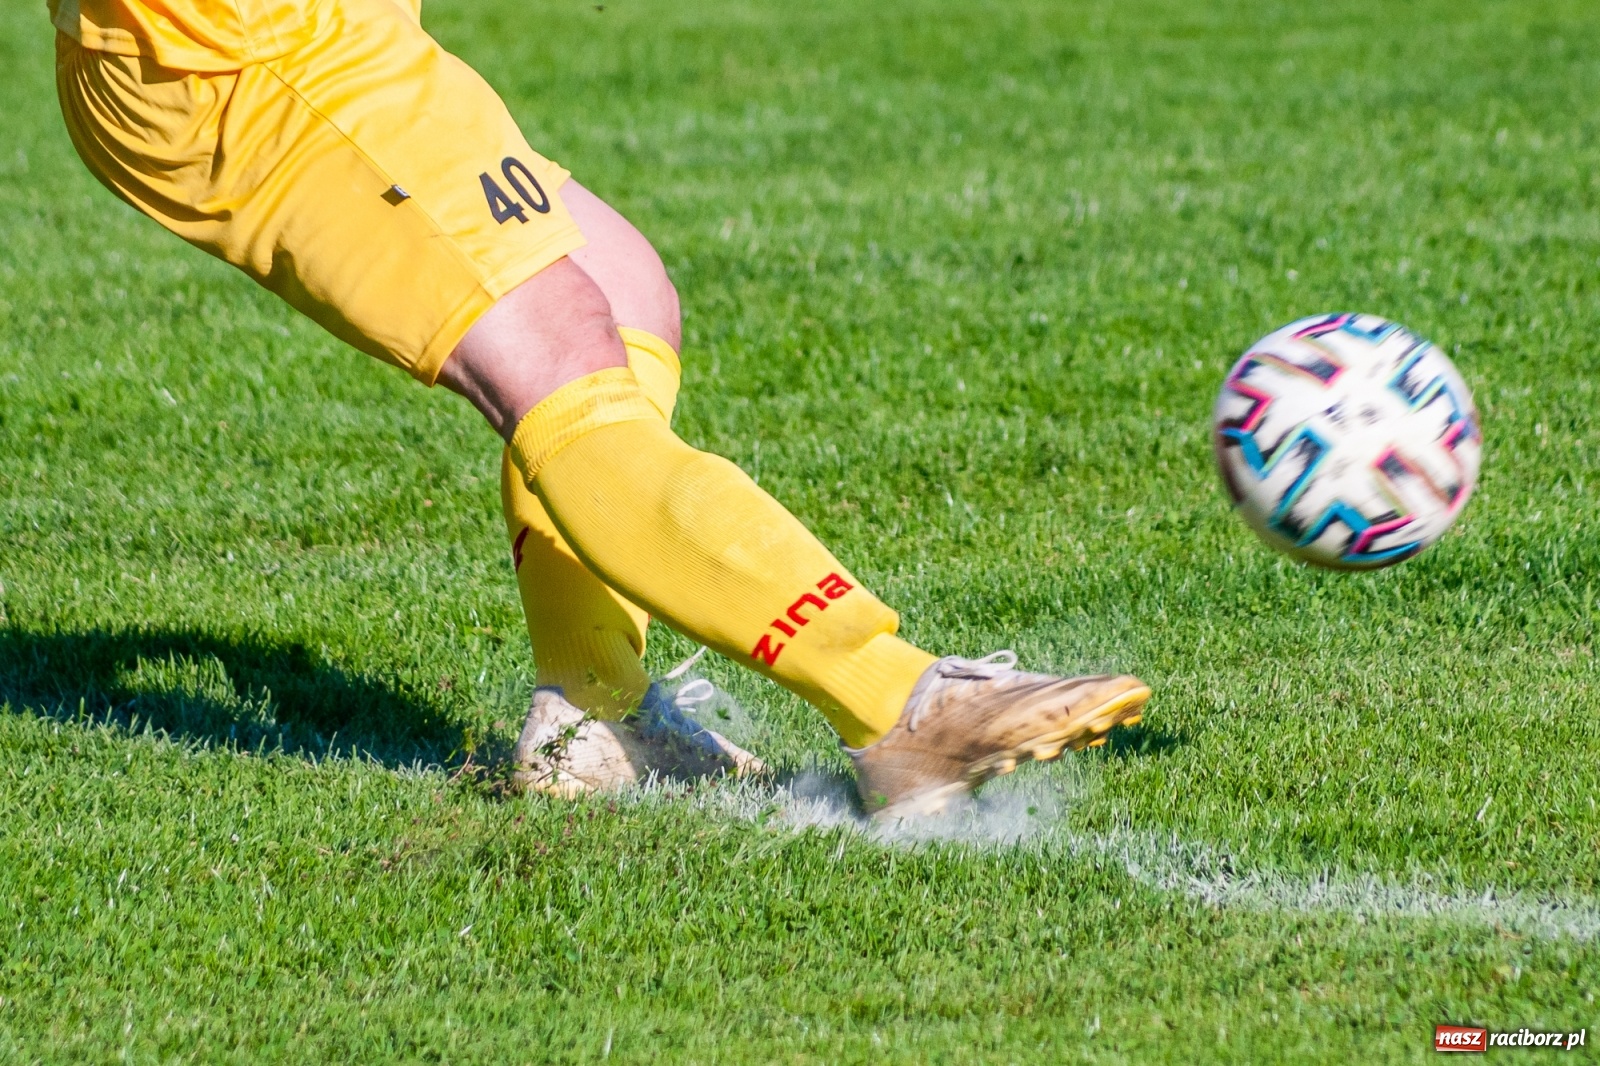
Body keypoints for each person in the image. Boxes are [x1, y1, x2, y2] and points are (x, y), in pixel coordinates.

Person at [49, 0, 1152, 818]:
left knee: (625, 292)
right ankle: (899, 704)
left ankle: (594, 715)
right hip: (236, 59)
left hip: (331, 39)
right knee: (557, 353)